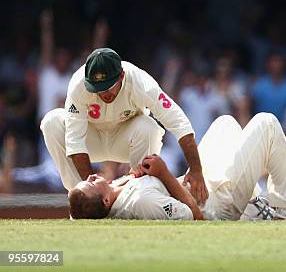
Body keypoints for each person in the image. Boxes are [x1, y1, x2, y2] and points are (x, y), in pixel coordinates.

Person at [68, 113, 286, 221]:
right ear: (103, 202)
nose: (90, 175)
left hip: (202, 185)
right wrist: (164, 174)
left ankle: (255, 207)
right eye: (91, 182)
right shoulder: (141, 202)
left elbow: (79, 210)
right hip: (217, 205)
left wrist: (135, 175)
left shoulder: (110, 195)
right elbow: (194, 217)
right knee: (266, 122)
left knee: (225, 123)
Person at [40, 47, 208, 204]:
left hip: (126, 141)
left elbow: (178, 121)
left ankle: (140, 195)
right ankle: (81, 200)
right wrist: (92, 193)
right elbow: (75, 141)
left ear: (121, 75)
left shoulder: (140, 82)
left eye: (107, 87)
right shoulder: (79, 85)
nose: (103, 94)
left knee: (148, 126)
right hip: (91, 141)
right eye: (97, 88)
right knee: (52, 122)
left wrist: (196, 170)